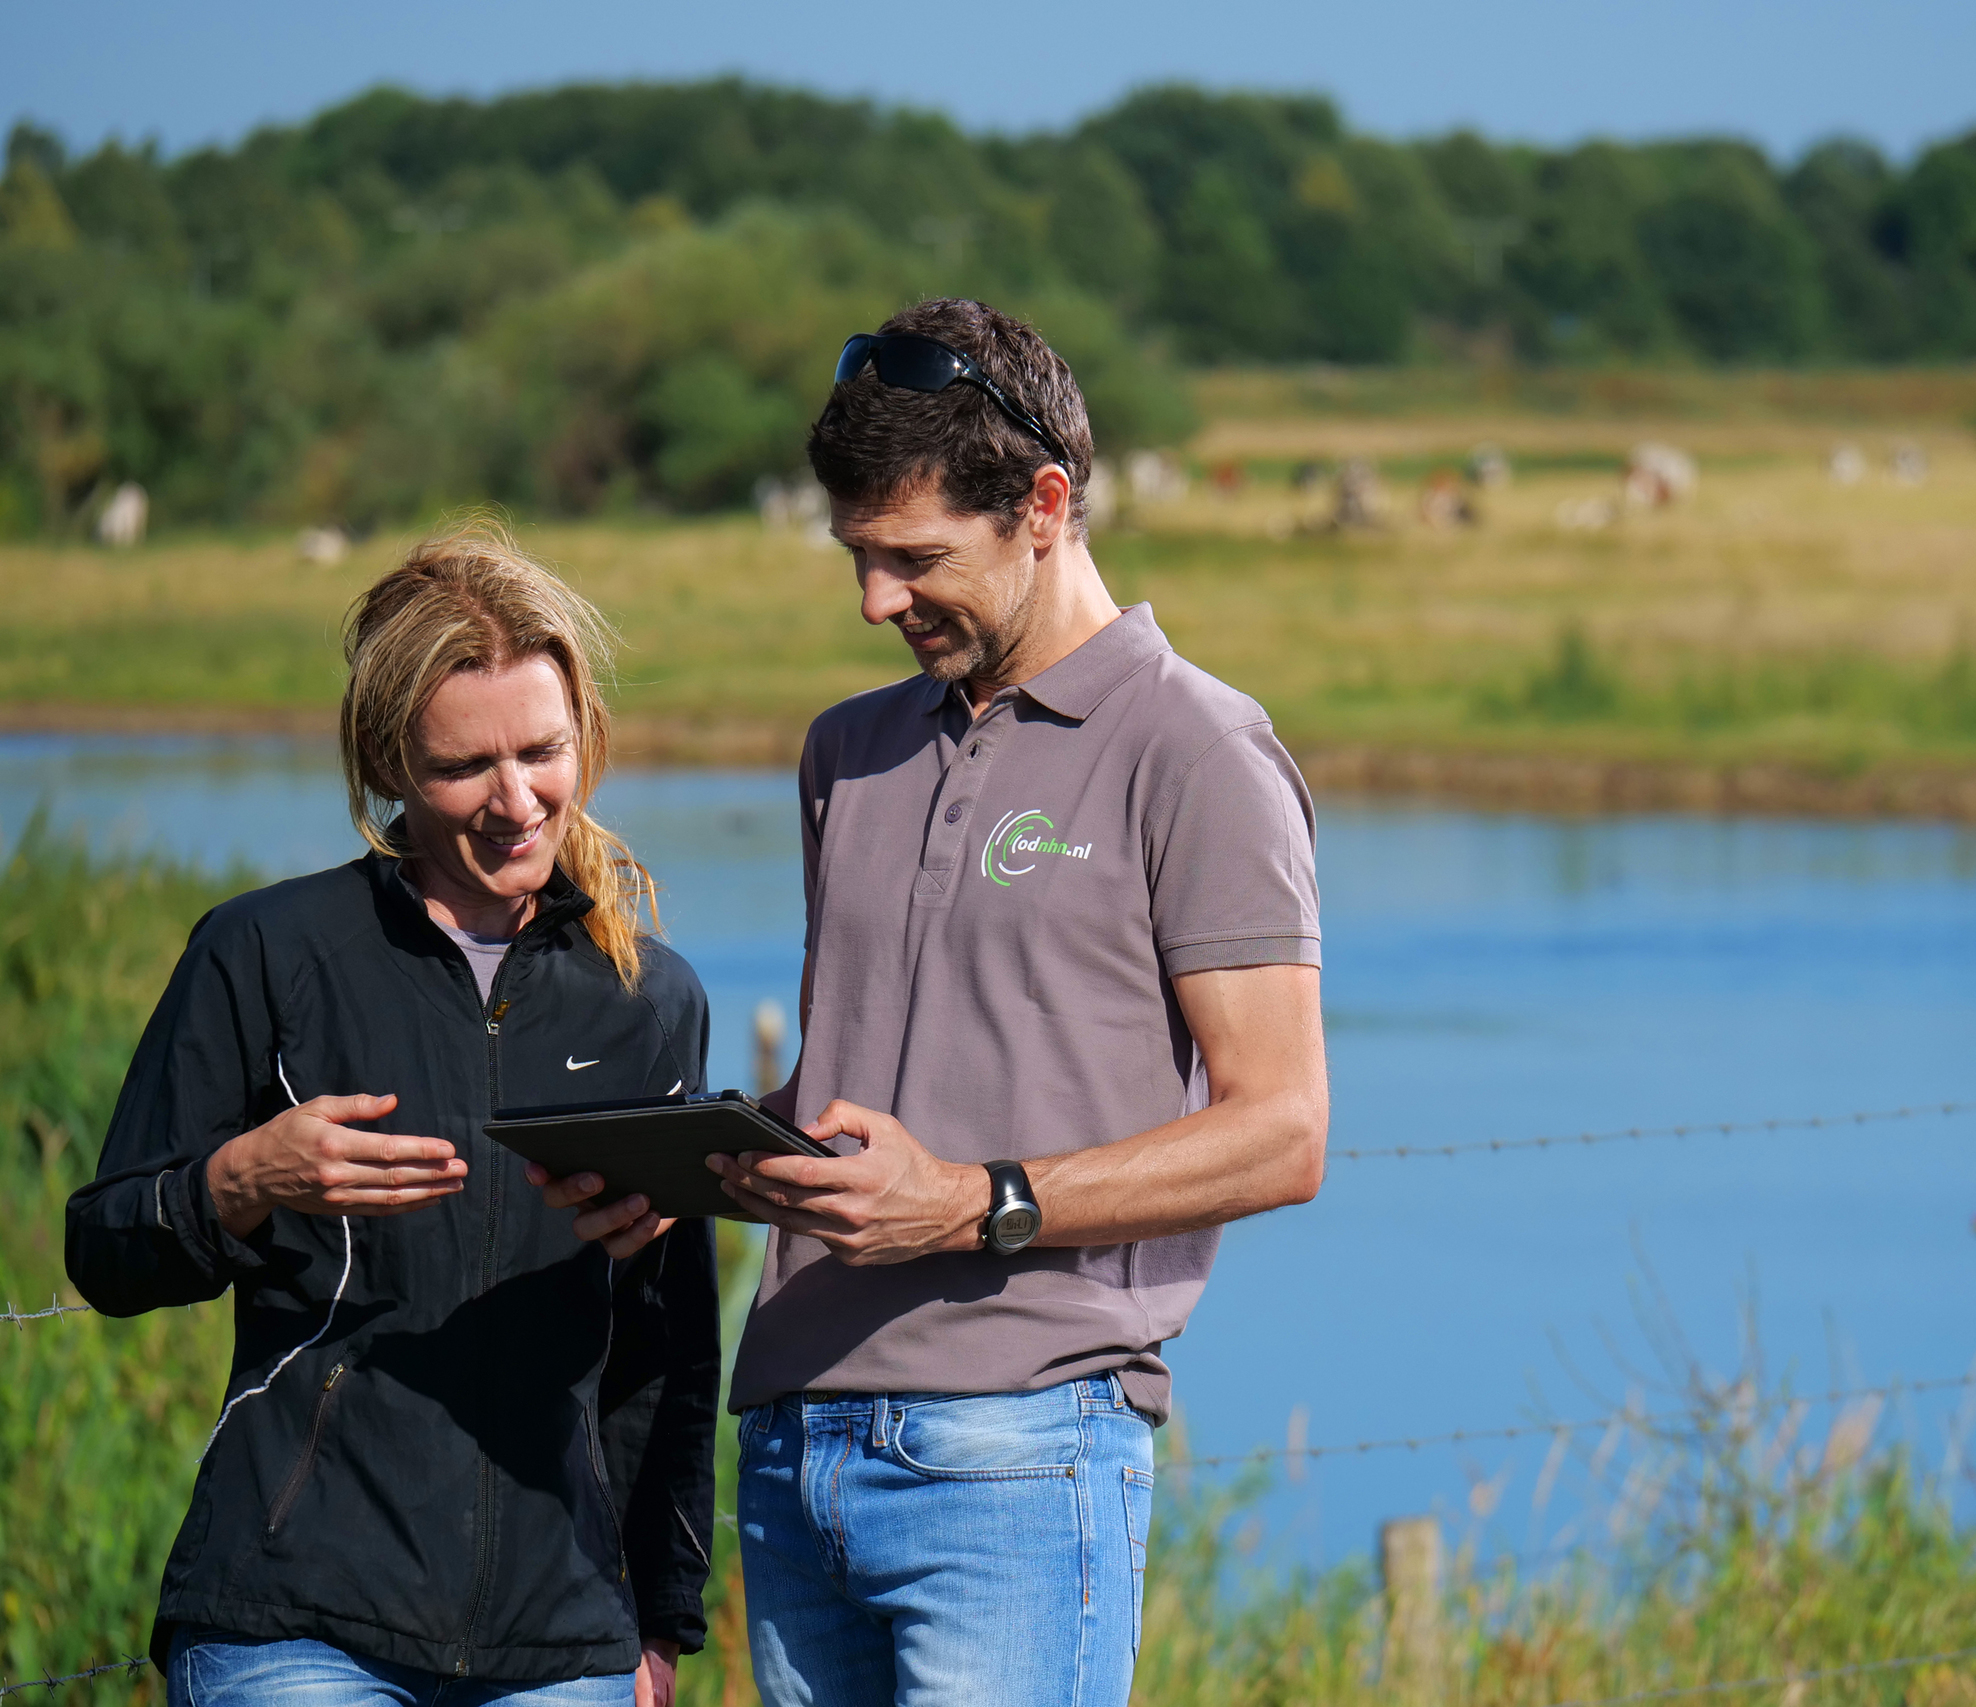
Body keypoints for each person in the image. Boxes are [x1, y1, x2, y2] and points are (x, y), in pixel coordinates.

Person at [569, 298, 1329, 1705]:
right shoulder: (846, 749)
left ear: (1044, 505)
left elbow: (1283, 1130)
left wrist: (978, 1201)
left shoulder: (1200, 749)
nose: (875, 600)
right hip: (794, 1441)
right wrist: (695, 1167)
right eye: (859, 557)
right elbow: (872, 1081)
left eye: (916, 558)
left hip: (1022, 1452)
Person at [63, 525, 719, 1707]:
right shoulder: (264, 952)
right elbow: (104, 1250)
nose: (517, 801)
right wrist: (240, 1182)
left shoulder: (651, 1000)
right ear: (389, 768)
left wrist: (658, 1616)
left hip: (560, 1638)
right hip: (295, 1617)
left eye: (543, 751)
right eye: (466, 767)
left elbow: (665, 1347)